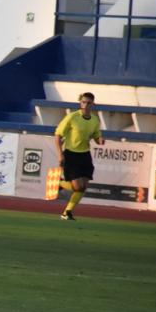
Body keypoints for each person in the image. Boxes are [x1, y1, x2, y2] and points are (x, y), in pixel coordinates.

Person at [54, 91, 104, 221]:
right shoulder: (72, 117)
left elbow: (96, 135)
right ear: (80, 102)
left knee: (83, 187)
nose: (86, 105)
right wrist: (60, 155)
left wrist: (100, 140)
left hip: (85, 155)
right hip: (71, 154)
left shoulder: (94, 120)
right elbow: (58, 135)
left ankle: (67, 212)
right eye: (83, 102)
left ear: (93, 104)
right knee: (78, 187)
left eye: (88, 103)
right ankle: (58, 183)